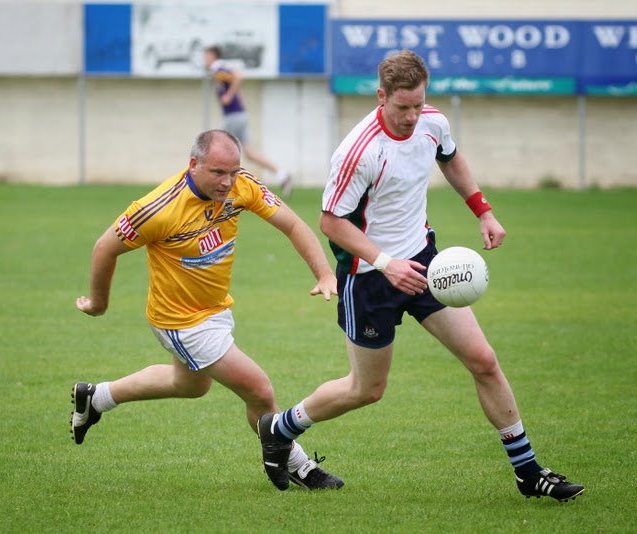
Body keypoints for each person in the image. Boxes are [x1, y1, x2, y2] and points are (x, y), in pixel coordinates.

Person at [256, 50, 585, 502]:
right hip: (369, 278)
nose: (412, 116)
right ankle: (280, 427)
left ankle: (527, 471)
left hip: (425, 264)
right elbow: (332, 222)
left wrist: (483, 211)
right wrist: (385, 262)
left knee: (483, 360)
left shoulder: (432, 122)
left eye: (418, 104)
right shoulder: (358, 151)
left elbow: (450, 158)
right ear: (381, 96)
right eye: (402, 107)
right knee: (366, 390)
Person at [70, 129, 343, 491]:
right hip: (181, 321)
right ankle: (299, 465)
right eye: (218, 173)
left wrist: (324, 273)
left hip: (214, 309)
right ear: (193, 164)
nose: (228, 182)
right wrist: (99, 304)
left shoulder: (241, 185)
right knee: (259, 391)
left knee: (190, 385)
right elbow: (105, 247)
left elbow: (291, 223)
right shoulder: (159, 208)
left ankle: (95, 397)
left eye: (233, 171)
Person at [203, 45, 292, 198]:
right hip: (239, 115)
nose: (204, 59)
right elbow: (236, 84)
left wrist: (229, 96)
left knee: (215, 147)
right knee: (250, 153)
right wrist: (237, 97)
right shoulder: (218, 72)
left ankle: (215, 185)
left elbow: (239, 76)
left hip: (233, 117)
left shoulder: (219, 69)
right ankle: (281, 175)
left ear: (213, 55)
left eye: (205, 56)